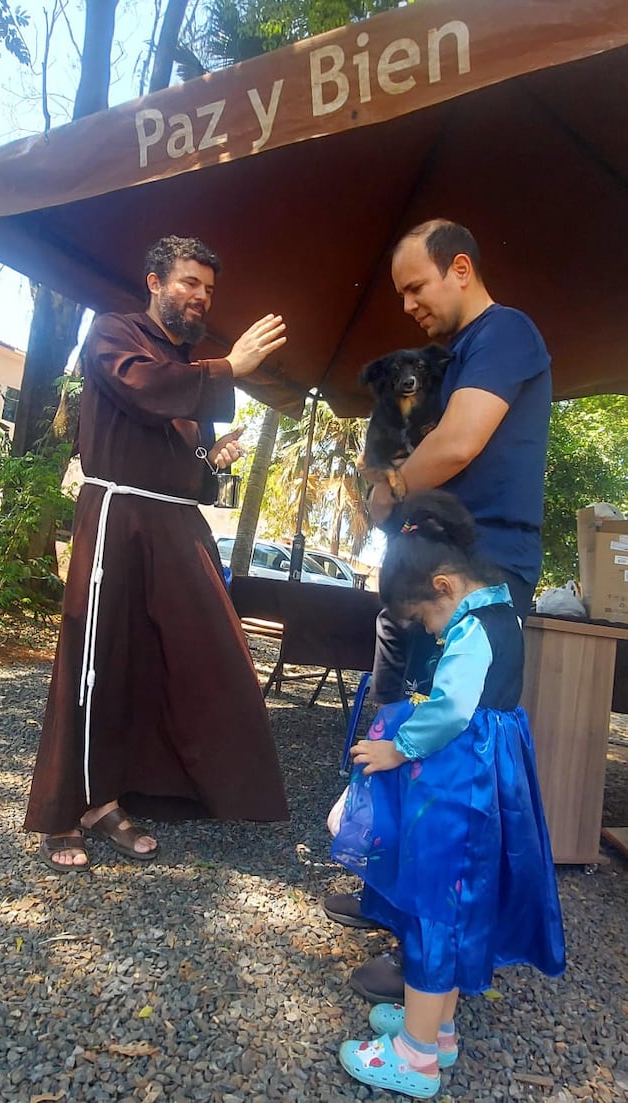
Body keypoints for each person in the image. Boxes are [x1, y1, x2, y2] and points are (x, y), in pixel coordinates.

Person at [325, 218, 552, 1001]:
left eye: (416, 286)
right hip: (429, 571)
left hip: (482, 574)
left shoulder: (506, 335)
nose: (409, 304)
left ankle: (435, 955)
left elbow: (455, 446)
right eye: (400, 293)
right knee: (401, 734)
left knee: (454, 768)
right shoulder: (447, 357)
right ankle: (393, 900)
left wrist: (385, 498)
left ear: (461, 267)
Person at [24, 235, 290, 872]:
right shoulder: (115, 332)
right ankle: (68, 810)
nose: (200, 297)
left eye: (208, 289)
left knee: (192, 654)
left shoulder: (188, 371)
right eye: (189, 283)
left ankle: (136, 792)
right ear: (154, 282)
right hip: (118, 517)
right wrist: (230, 367)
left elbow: (184, 460)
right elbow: (143, 389)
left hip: (175, 523)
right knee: (95, 658)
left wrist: (209, 458)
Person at [333, 490, 565, 1100]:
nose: (427, 633)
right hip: (489, 776)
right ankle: (436, 1030)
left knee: (436, 904)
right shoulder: (503, 610)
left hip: (462, 779)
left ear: (443, 585)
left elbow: (452, 708)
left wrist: (395, 747)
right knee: (455, 906)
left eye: (423, 619)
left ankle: (414, 1057)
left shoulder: (471, 631)